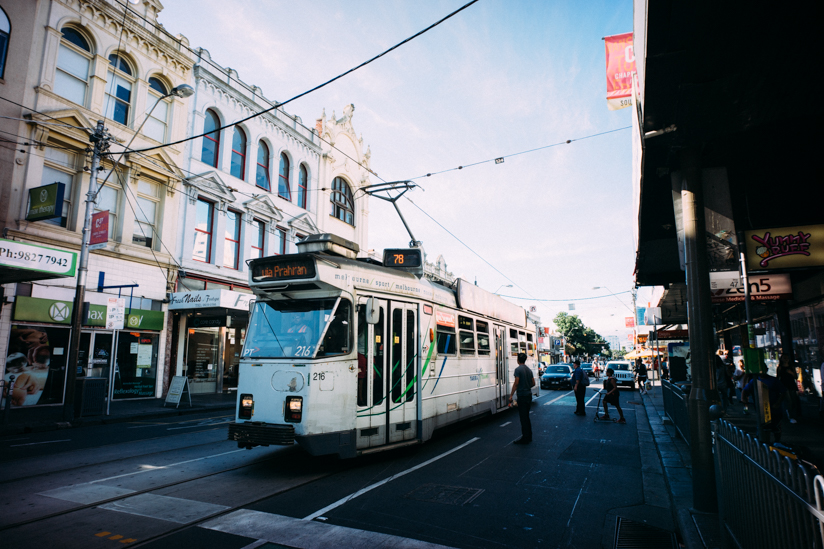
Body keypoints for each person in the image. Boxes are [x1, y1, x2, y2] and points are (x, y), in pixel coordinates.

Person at [741, 366, 787, 442]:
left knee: (776, 427)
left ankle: (777, 442)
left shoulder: (773, 380)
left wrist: (778, 403)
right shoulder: (754, 381)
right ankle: (766, 443)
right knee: (765, 427)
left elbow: (783, 392)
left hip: (774, 408)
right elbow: (745, 390)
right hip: (762, 408)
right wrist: (743, 399)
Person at [509, 352, 535, 444]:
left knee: (523, 418)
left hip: (522, 396)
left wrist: (511, 395)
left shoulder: (518, 370)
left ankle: (525, 437)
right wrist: (527, 386)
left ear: (518, 360)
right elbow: (533, 383)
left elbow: (516, 383)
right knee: (526, 417)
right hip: (529, 395)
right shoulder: (529, 370)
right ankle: (529, 436)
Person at [776, 354, 800, 424]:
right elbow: (778, 377)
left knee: (793, 400)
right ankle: (790, 415)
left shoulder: (791, 367)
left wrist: (791, 373)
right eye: (784, 358)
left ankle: (793, 414)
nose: (786, 360)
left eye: (787, 358)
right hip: (784, 385)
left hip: (791, 385)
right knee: (789, 400)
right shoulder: (780, 367)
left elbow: (795, 377)